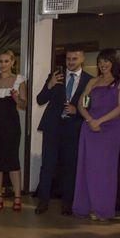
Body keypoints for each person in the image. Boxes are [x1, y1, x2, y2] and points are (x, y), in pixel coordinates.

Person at [35, 49, 92, 215]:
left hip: (73, 129)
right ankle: (43, 202)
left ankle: (67, 204)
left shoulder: (89, 80)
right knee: (47, 167)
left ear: (82, 59)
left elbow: (90, 106)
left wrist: (78, 111)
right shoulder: (55, 76)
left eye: (75, 58)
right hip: (52, 128)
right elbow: (40, 99)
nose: (71, 61)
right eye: (68, 58)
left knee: (70, 168)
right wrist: (50, 84)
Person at [72, 48, 120, 221]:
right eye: (100, 62)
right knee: (88, 168)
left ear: (113, 63)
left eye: (106, 61)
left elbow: (119, 108)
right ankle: (88, 206)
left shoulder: (118, 83)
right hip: (90, 129)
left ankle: (103, 209)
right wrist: (90, 119)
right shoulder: (93, 82)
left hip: (110, 129)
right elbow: (81, 104)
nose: (103, 65)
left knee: (105, 170)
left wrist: (99, 121)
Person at [0, 50, 27, 211]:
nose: (3, 64)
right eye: (1, 61)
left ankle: (17, 196)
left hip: (10, 125)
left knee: (12, 160)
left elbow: (24, 104)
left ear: (12, 62)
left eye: (6, 61)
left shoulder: (19, 80)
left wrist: (17, 99)